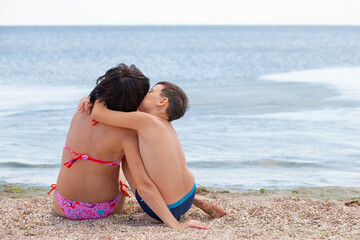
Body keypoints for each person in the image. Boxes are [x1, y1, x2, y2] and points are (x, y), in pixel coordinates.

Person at [49, 63, 210, 229]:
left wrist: (94, 97)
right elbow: (145, 184)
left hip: (64, 207)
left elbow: (98, 113)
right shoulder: (136, 130)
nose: (143, 98)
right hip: (183, 195)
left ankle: (159, 209)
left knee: (113, 162)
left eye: (149, 93)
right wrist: (175, 224)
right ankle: (190, 200)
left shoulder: (81, 112)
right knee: (127, 161)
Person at [89, 81, 226, 222]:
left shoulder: (145, 121)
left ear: (162, 101)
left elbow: (98, 114)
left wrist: (98, 95)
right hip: (188, 194)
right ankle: (195, 200)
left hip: (169, 208)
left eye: (150, 92)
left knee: (128, 150)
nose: (144, 95)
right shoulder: (166, 126)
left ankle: (153, 214)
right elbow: (132, 111)